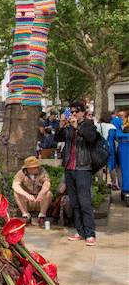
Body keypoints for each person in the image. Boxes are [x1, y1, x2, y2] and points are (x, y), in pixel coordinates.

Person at [54, 101, 98, 245]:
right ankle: (80, 231)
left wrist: (76, 126)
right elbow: (57, 138)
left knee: (85, 202)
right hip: (69, 168)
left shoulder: (88, 125)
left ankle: (90, 233)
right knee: (75, 203)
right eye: (70, 112)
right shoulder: (68, 127)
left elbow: (91, 138)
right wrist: (61, 125)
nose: (73, 115)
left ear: (82, 113)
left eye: (76, 112)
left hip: (83, 168)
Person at [12, 156, 53, 227]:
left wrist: (42, 193)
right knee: (16, 193)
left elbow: (47, 183)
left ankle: (42, 217)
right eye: (36, 167)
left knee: (48, 193)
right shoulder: (21, 173)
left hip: (39, 200)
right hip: (27, 200)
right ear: (29, 169)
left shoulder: (42, 171)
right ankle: (26, 216)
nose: (39, 168)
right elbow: (15, 185)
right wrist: (26, 194)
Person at [98, 111, 118, 189]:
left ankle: (100, 184)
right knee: (111, 166)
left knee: (99, 166)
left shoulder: (98, 126)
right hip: (110, 148)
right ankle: (114, 183)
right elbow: (115, 140)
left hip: (100, 148)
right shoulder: (112, 127)